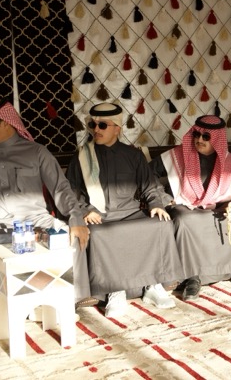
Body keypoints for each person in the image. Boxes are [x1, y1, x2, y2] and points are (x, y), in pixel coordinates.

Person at [0, 98, 90, 337]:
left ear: (6, 123)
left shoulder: (37, 152)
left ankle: (62, 303)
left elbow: (61, 189)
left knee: (69, 236)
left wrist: (76, 219)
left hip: (34, 220)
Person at [66, 102, 184, 317]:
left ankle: (153, 285)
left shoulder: (133, 155)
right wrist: (85, 210)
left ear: (117, 129)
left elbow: (149, 185)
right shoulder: (82, 157)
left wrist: (156, 205)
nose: (96, 130)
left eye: (103, 125)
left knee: (162, 225)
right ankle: (115, 289)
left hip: (132, 212)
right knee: (99, 234)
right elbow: (71, 191)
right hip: (100, 216)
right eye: (93, 125)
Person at [150, 115, 231, 301]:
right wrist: (164, 198)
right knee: (185, 220)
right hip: (186, 205)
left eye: (206, 136)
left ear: (217, 139)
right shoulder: (178, 155)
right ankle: (191, 277)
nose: (199, 139)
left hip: (216, 206)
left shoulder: (229, 163)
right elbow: (147, 173)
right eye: (196, 134)